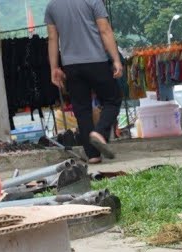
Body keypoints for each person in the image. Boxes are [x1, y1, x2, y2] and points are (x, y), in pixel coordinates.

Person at [45, 0, 123, 164]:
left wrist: (54, 68)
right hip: (96, 61)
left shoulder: (52, 6)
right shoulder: (93, 1)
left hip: (71, 66)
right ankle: (100, 132)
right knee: (113, 99)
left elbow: (52, 38)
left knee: (82, 109)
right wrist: (116, 59)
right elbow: (105, 30)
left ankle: (93, 155)